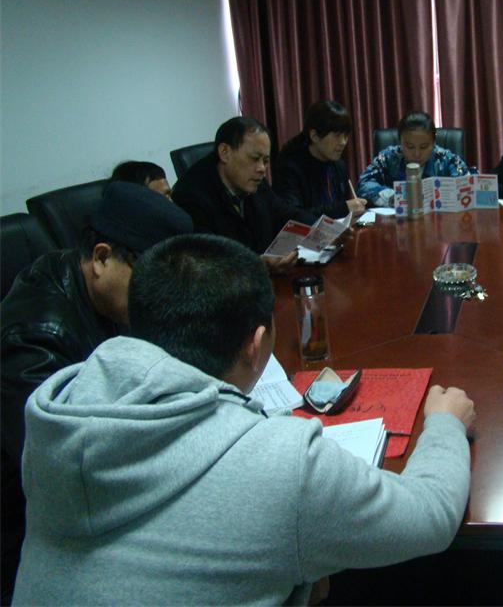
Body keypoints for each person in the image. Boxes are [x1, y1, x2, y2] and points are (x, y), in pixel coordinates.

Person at [13, 234, 476, 605]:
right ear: (256, 345)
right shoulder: (283, 462)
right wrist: (445, 424)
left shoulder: (61, 411)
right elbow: (431, 516)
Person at [0, 182, 192, 604]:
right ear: (102, 257)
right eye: (151, 284)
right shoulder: (36, 337)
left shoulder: (98, 289)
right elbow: (63, 469)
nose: (159, 301)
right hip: (33, 530)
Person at [171, 116, 299, 275]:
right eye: (254, 159)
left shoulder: (254, 180)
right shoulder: (190, 196)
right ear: (225, 152)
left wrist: (321, 230)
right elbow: (208, 261)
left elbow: (283, 213)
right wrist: (258, 263)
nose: (261, 168)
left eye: (265, 161)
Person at [272, 100, 367, 225]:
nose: (343, 142)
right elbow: (293, 217)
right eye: (337, 135)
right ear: (314, 136)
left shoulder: (339, 165)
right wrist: (343, 208)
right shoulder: (290, 167)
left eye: (346, 135)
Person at [358, 111, 469, 207]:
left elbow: (466, 185)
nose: (417, 154)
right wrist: (392, 197)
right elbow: (363, 183)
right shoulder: (389, 157)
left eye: (423, 147)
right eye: (410, 147)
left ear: (433, 143)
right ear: (400, 142)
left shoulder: (446, 159)